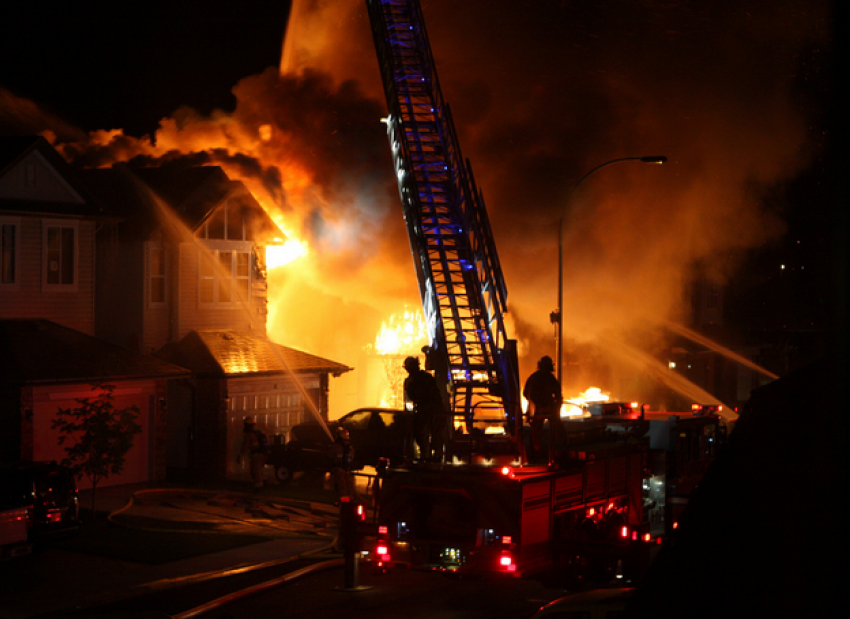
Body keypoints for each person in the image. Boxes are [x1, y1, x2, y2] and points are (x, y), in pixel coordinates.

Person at [403, 356, 449, 463]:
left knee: (424, 434)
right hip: (433, 409)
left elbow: (411, 399)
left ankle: (429, 455)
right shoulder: (426, 377)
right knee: (432, 434)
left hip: (428, 410)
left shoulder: (413, 380)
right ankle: (433, 455)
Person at [523, 355, 563, 462]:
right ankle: (558, 450)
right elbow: (558, 395)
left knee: (535, 432)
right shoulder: (551, 378)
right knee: (557, 429)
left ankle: (537, 452)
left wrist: (534, 403)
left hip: (536, 410)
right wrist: (556, 409)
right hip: (549, 409)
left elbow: (526, 393)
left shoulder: (533, 377)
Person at [239, 416, 268, 493]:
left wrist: (240, 456)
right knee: (260, 471)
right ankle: (263, 486)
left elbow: (246, 447)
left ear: (247, 425)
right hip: (262, 455)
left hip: (256, 456)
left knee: (255, 472)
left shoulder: (249, 435)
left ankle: (258, 489)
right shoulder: (259, 433)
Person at [329, 426, 356, 502]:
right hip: (347, 470)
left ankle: (344, 503)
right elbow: (352, 456)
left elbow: (330, 455)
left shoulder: (336, 446)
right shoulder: (350, 447)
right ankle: (350, 501)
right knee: (349, 486)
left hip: (339, 469)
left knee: (342, 487)